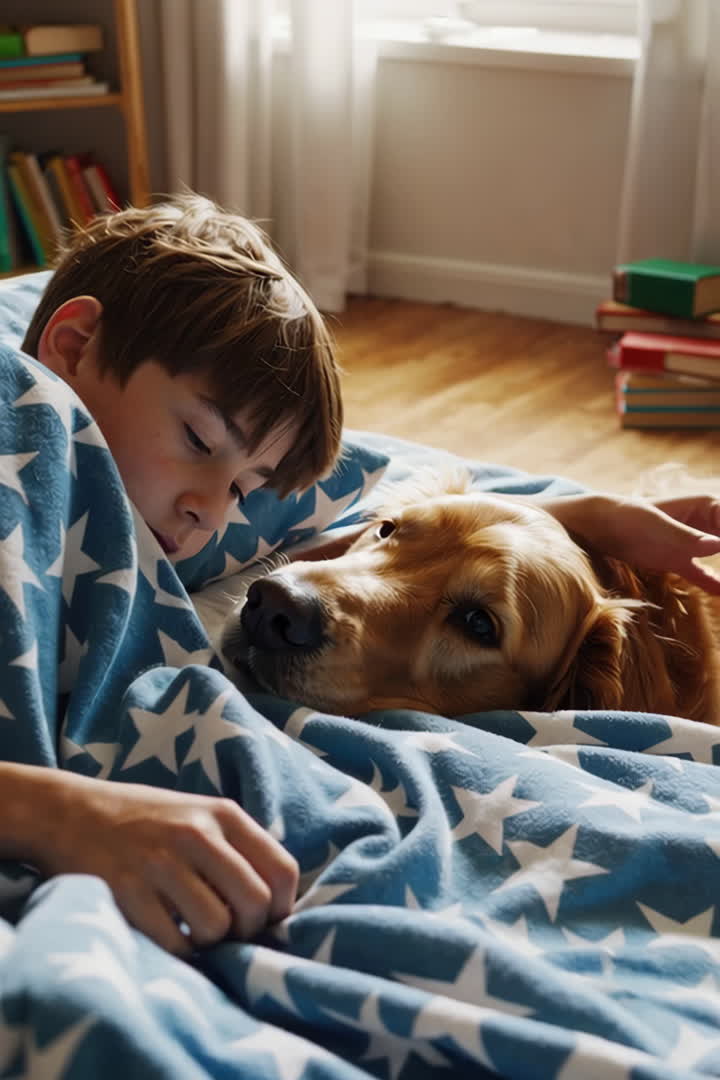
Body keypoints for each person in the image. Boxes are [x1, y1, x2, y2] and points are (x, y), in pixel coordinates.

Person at [2, 191, 720, 958]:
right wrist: (60, 815)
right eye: (199, 437)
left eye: (476, 624)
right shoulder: (32, 421)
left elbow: (360, 543)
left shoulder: (174, 507)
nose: (217, 515)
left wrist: (579, 517)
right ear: (71, 348)